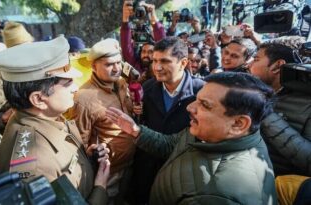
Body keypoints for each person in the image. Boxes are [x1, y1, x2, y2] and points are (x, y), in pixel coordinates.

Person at [106, 72, 277, 205]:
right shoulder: (207, 133)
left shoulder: (217, 195)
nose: (189, 107)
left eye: (204, 105)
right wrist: (136, 131)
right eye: (197, 99)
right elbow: (172, 144)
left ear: (239, 123)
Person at [0, 36, 110, 204]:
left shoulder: (45, 116)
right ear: (38, 99)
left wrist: (87, 159)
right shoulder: (36, 168)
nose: (75, 88)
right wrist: (100, 187)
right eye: (68, 83)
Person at [131, 36, 204, 204]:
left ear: (184, 62)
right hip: (148, 168)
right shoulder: (147, 88)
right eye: (155, 61)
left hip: (183, 171)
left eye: (164, 61)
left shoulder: (201, 92)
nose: (157, 67)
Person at [70, 38, 134, 203]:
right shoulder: (84, 98)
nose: (116, 69)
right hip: (108, 173)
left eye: (119, 63)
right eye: (109, 64)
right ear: (93, 66)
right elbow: (80, 142)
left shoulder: (120, 83)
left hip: (130, 163)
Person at [249, 38, 311, 177]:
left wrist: (265, 113)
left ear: (277, 66)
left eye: (256, 59)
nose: (249, 65)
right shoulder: (251, 91)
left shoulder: (307, 103)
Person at [120, 0, 166, 75]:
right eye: (143, 51)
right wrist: (125, 18)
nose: (146, 55)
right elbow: (126, 46)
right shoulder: (134, 65)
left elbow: (164, 46)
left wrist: (154, 20)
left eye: (150, 52)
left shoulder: (161, 68)